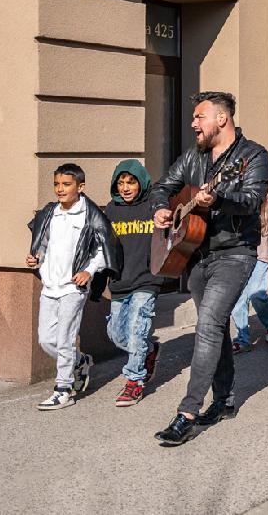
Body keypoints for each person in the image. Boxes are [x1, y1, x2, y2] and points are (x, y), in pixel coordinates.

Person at [151, 91, 268, 445]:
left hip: (234, 254)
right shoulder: (193, 157)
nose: (193, 124)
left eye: (199, 117)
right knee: (215, 330)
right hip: (196, 255)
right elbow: (164, 187)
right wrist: (160, 208)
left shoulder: (253, 156)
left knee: (207, 325)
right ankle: (224, 399)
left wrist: (218, 198)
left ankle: (187, 412)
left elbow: (250, 202)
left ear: (222, 119)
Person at [26, 164, 119, 410]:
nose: (60, 189)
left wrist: (88, 271)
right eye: (57, 184)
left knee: (65, 338)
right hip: (50, 285)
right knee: (46, 340)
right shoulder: (49, 213)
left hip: (72, 288)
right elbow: (41, 243)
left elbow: (102, 248)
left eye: (66, 184)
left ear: (81, 187)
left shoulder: (90, 216)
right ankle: (80, 362)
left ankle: (63, 389)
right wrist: (36, 257)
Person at [104, 160, 163, 406]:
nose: (126, 188)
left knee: (137, 330)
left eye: (131, 182)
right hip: (120, 281)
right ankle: (149, 351)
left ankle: (134, 381)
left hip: (147, 280)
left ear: (141, 182)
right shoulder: (110, 210)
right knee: (116, 334)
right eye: (121, 182)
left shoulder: (153, 206)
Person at [230, 194, 268, 352]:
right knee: (239, 298)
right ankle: (243, 339)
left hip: (261, 255)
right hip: (239, 253)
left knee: (256, 293)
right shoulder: (237, 196)